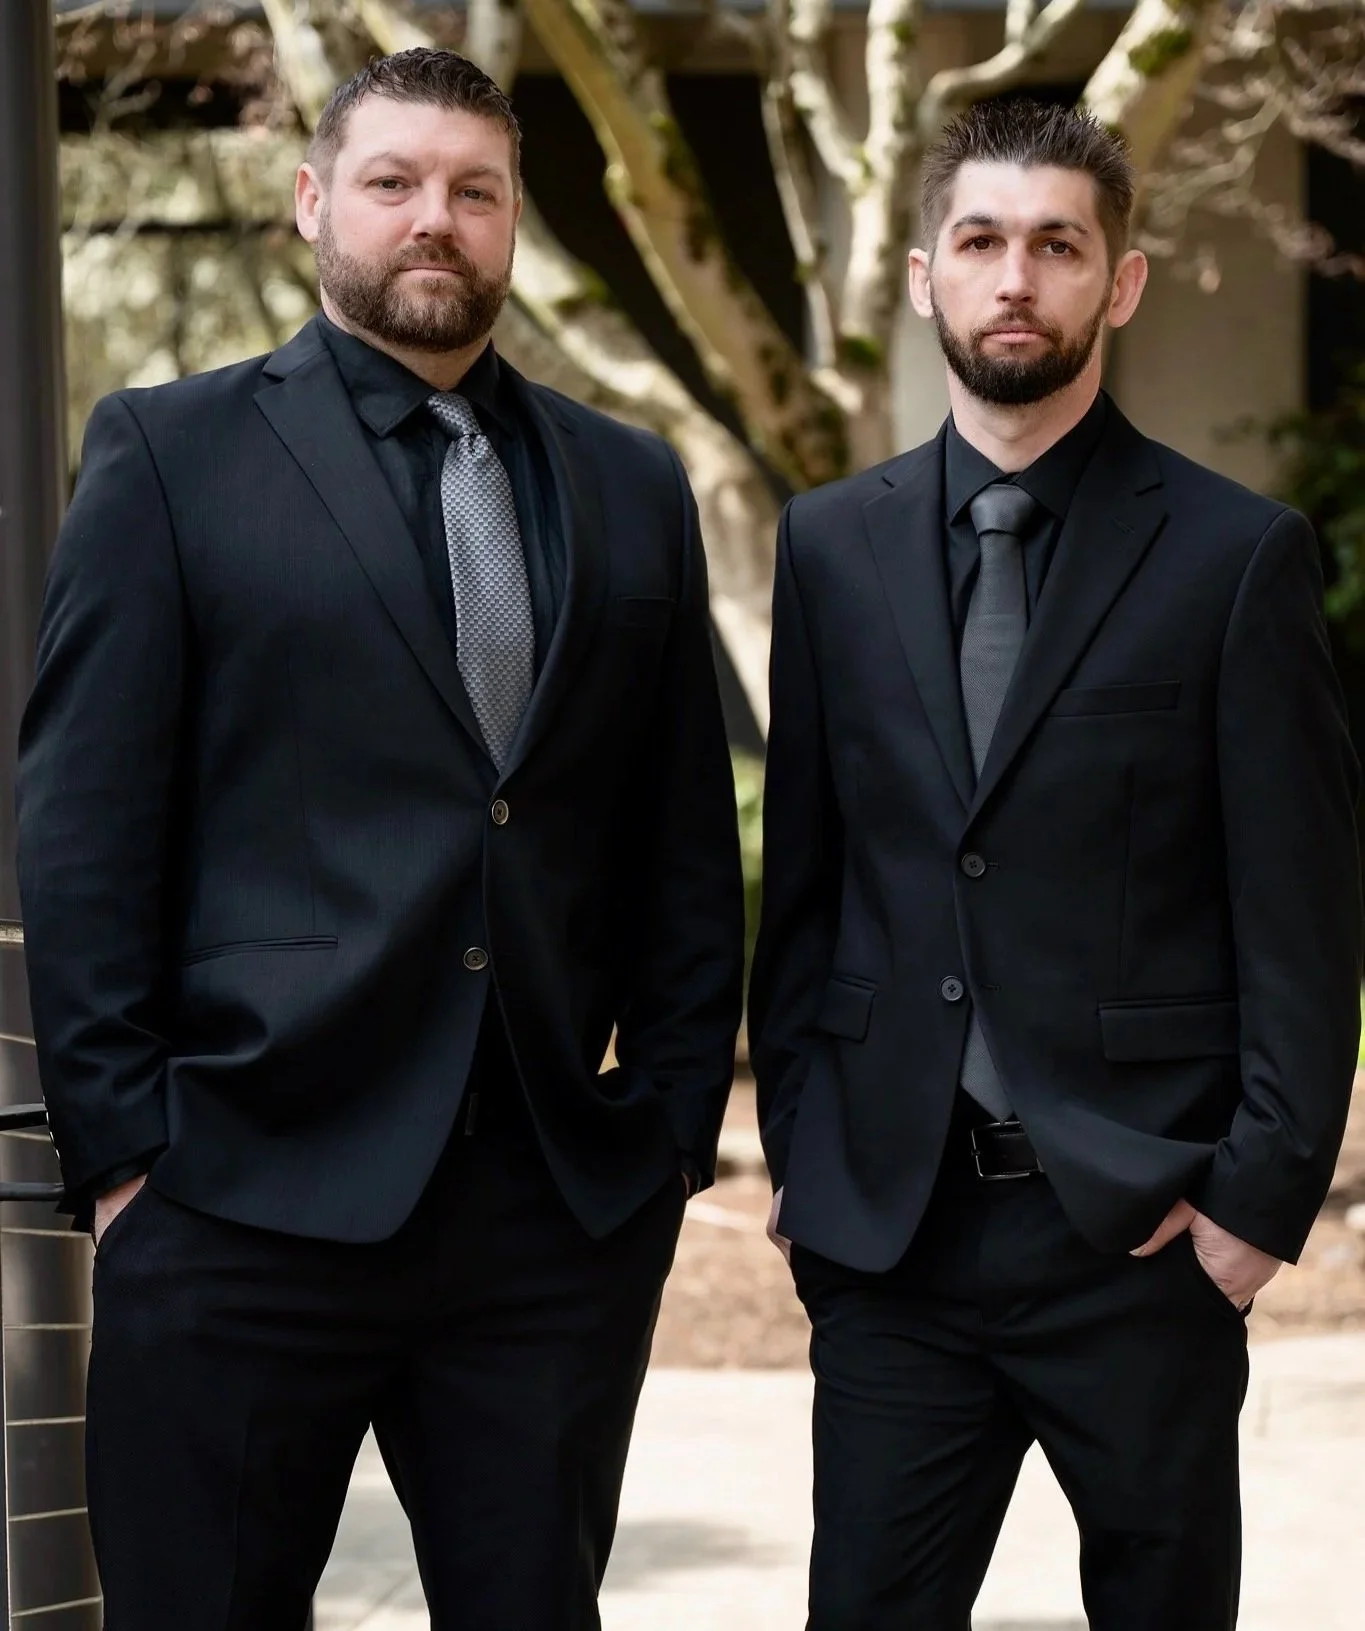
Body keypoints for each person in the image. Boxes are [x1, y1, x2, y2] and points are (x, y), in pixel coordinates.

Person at [17, 48, 743, 1631]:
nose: (437, 221)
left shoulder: (630, 484)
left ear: (511, 223)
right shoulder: (170, 453)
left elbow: (683, 834)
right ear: (312, 203)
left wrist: (669, 1129)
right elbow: (82, 824)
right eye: (395, 182)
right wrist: (128, 1154)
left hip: (545, 1216)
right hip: (236, 1192)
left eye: (474, 191)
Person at [749, 98, 1361, 1630]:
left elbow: (1301, 911)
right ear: (922, 275)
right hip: (895, 1240)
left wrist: (1252, 1208)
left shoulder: (1235, 556)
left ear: (1121, 282)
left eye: (1056, 245)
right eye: (981, 242)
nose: (1015, 277)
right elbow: (812, 877)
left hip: (1142, 1240)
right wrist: (809, 1152)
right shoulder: (830, 545)